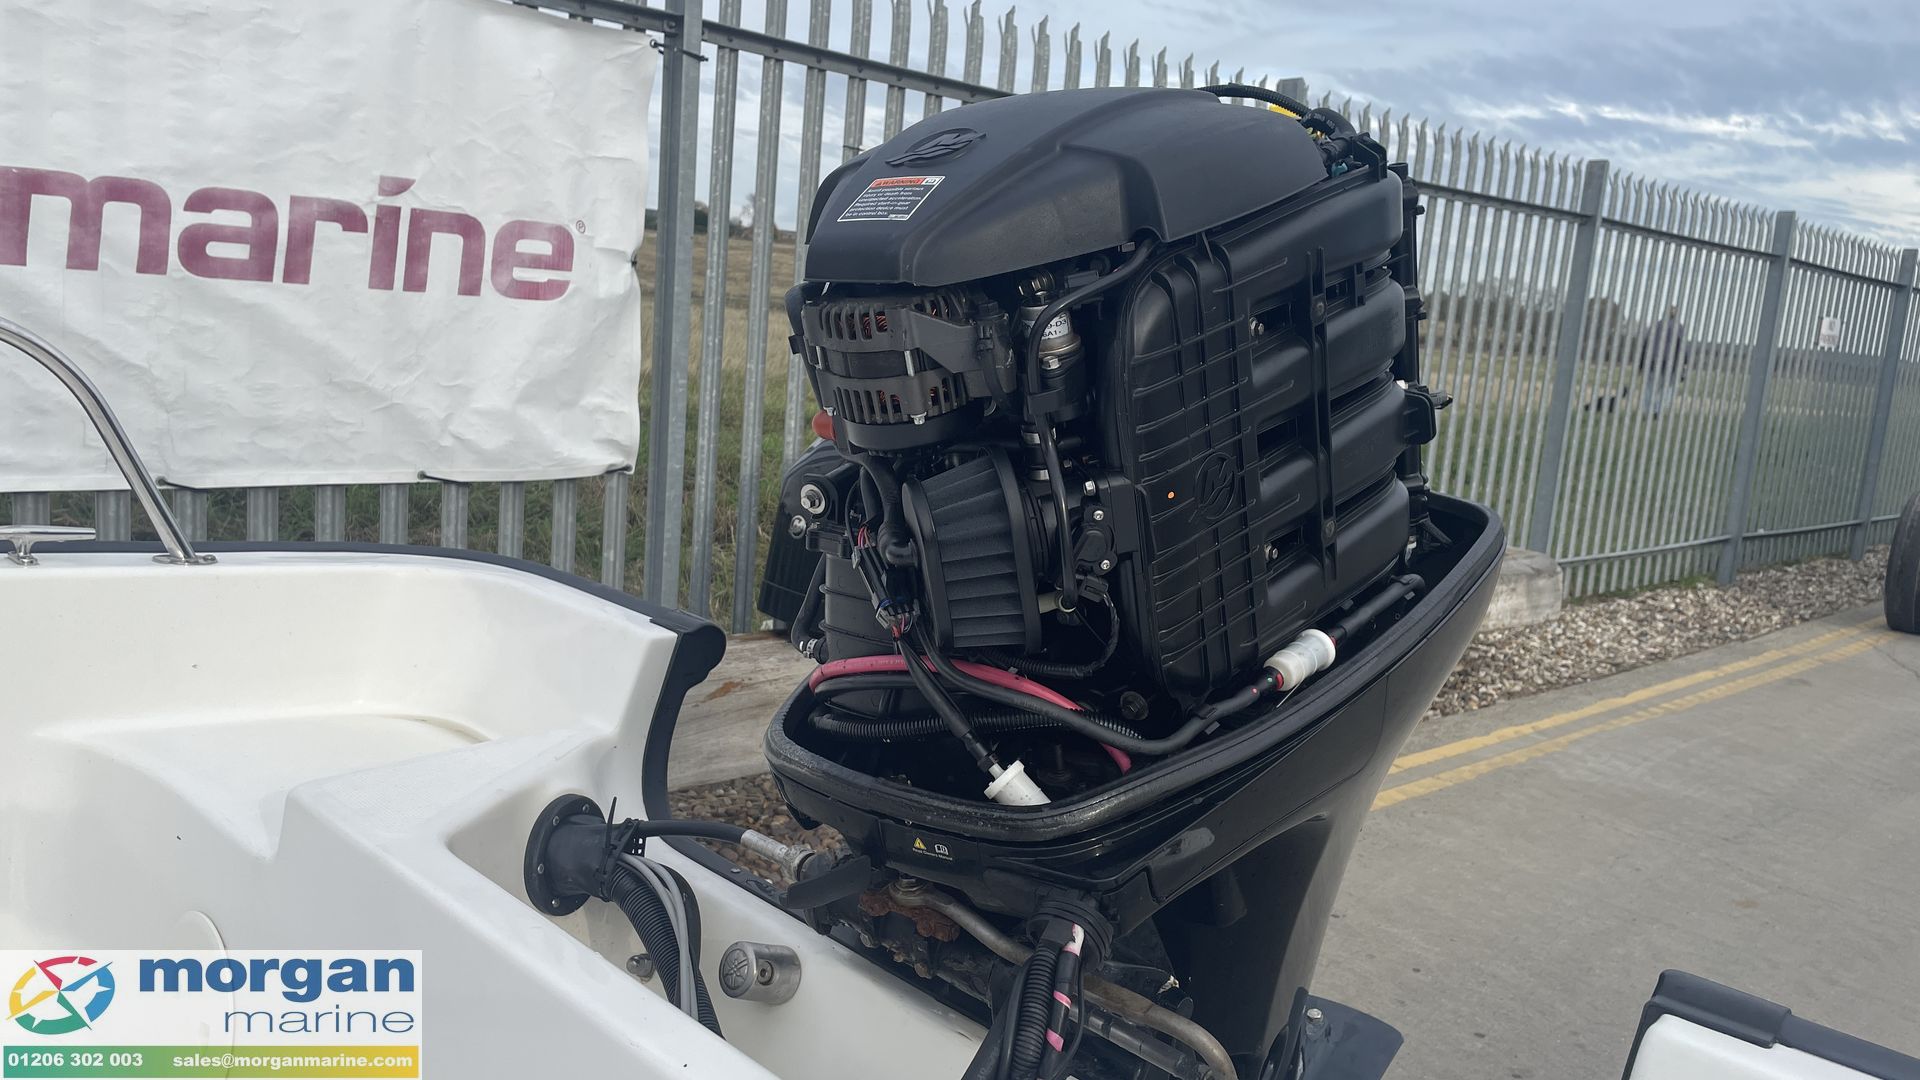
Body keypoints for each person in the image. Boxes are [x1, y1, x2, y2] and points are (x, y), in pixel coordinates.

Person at [1638, 305, 1688, 417]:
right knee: (1668, 388)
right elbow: (1682, 347)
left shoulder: (1655, 326)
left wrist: (1641, 365)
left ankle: (1649, 411)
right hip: (1670, 364)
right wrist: (1684, 363)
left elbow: (1645, 346)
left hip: (1652, 363)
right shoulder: (1678, 327)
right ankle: (1658, 410)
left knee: (1649, 388)